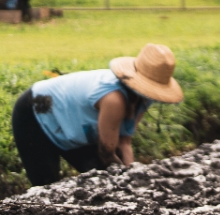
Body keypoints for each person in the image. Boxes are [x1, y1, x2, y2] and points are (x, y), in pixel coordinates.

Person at [10, 44, 183, 187]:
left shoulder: (144, 99)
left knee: (101, 176)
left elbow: (124, 141)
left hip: (74, 125)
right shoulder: (113, 98)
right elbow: (107, 152)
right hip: (36, 110)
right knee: (46, 185)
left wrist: (131, 174)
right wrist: (125, 184)